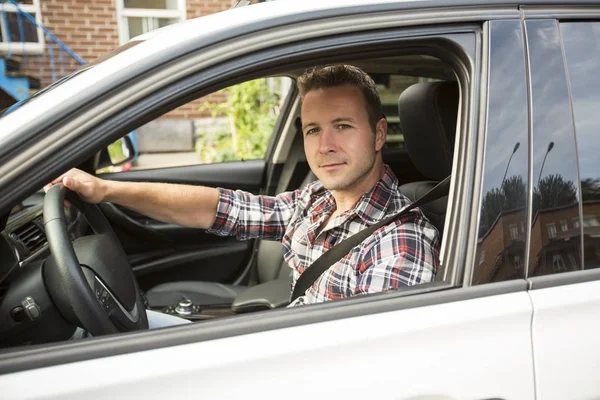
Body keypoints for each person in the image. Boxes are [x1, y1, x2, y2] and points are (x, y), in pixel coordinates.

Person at [45, 65, 440, 327]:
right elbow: (220, 209)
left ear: (379, 134)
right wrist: (106, 189)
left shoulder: (397, 242)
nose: (325, 146)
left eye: (342, 126)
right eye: (313, 130)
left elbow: (368, 364)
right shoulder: (317, 200)